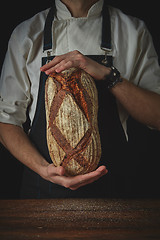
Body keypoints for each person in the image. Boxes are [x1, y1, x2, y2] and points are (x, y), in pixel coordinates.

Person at [0, 0, 160, 198]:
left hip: (113, 192)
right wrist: (43, 170)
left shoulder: (132, 31)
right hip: (43, 192)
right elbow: (6, 121)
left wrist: (108, 75)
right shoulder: (26, 34)